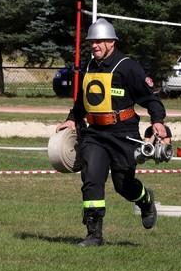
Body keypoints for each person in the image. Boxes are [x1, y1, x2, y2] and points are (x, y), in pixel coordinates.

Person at [56, 18, 169, 247]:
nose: (94, 45)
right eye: (92, 42)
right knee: (92, 180)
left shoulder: (128, 67)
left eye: (99, 41)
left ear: (111, 42)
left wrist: (158, 121)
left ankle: (145, 200)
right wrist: (72, 119)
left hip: (123, 134)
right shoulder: (89, 66)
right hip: (95, 134)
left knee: (123, 185)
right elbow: (83, 101)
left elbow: (151, 99)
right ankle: (93, 234)